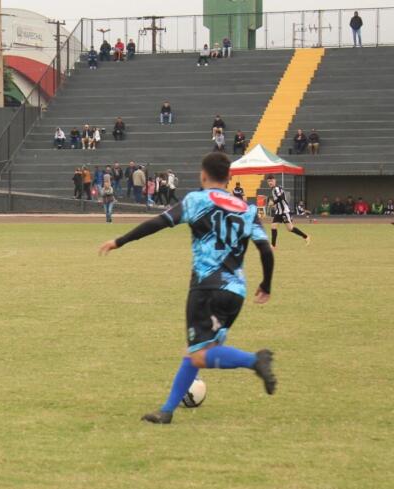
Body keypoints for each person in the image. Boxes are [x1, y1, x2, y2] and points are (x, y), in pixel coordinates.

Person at [98, 152, 277, 425]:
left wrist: (120, 241)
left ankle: (255, 360)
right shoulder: (247, 209)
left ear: (203, 175)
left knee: (199, 354)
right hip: (236, 291)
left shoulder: (196, 200)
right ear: (229, 177)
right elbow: (265, 249)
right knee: (198, 350)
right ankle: (167, 410)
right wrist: (266, 284)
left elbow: (158, 223)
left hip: (206, 288)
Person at [267, 175, 310, 248]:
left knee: (290, 228)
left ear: (274, 181)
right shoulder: (274, 189)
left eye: (271, 181)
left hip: (284, 211)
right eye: (268, 181)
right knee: (273, 226)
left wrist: (273, 202)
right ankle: (273, 246)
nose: (270, 182)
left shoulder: (276, 188)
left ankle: (306, 236)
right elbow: (280, 199)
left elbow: (281, 197)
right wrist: (275, 204)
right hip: (279, 212)